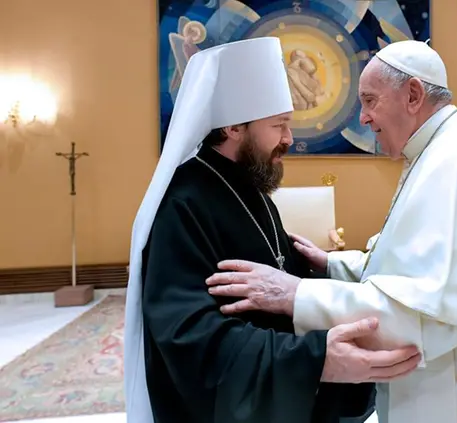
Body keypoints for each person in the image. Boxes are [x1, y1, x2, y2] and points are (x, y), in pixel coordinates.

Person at [205, 39, 457, 423]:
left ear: (412, 95)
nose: (362, 117)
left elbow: (425, 317)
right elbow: (418, 272)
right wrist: (334, 265)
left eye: (370, 100)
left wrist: (296, 295)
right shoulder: (437, 151)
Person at [123, 37, 421, 423]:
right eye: (279, 125)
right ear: (233, 126)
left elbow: (281, 274)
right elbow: (189, 337)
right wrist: (316, 360)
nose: (289, 139)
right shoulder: (183, 204)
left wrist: (328, 276)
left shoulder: (250, 186)